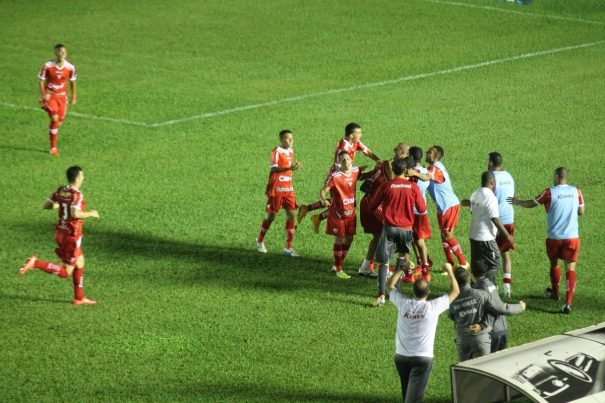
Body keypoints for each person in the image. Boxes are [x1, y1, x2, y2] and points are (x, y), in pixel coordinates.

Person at [19, 166, 99, 305]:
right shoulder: (77, 195)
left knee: (80, 262)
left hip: (60, 233)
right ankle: (35, 263)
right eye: (82, 176)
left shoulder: (62, 190)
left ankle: (79, 298)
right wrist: (91, 213)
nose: (83, 177)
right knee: (66, 272)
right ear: (77, 178)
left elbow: (46, 205)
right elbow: (75, 214)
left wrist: (62, 205)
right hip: (71, 237)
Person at [509, 167, 584, 314]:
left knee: (554, 264)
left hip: (554, 237)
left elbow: (532, 203)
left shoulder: (549, 192)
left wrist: (518, 202)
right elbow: (581, 211)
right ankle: (567, 302)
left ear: (556, 177)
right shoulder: (576, 191)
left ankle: (555, 293)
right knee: (570, 269)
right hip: (572, 237)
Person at [388, 262, 459, 403]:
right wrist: (450, 271)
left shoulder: (403, 303)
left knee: (407, 393)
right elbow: (455, 292)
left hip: (401, 356)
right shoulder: (433, 307)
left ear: (413, 292)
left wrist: (401, 269)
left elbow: (389, 286)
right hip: (422, 358)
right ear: (428, 293)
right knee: (414, 398)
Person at [297, 122, 380, 233]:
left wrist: (378, 160)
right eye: (359, 133)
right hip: (338, 177)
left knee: (340, 202)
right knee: (341, 204)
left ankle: (308, 210)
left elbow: (367, 151)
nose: (361, 135)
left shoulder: (355, 142)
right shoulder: (343, 148)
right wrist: (351, 174)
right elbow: (339, 166)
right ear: (351, 135)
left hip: (344, 175)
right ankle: (316, 217)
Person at [369, 157, 427, 307]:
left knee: (383, 262)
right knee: (402, 260)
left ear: (393, 170)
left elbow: (372, 205)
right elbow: (421, 208)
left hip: (389, 228)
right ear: (405, 171)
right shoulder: (413, 187)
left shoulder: (386, 186)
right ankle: (396, 292)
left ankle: (381, 295)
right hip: (406, 229)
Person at [357, 143, 410, 277]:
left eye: (405, 153)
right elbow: (394, 181)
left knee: (378, 236)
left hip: (369, 202)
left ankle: (365, 267)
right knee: (386, 236)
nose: (404, 155)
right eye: (402, 151)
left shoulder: (385, 165)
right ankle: (385, 270)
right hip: (373, 205)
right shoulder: (389, 166)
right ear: (397, 152)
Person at [256, 130, 303, 256]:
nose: (291, 141)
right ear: (281, 139)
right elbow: (273, 169)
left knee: (291, 215)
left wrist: (295, 165)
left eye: (292, 138)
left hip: (288, 188)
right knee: (272, 216)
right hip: (277, 188)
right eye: (288, 139)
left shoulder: (291, 151)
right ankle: (259, 240)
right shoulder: (276, 151)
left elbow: (289, 165)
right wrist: (289, 168)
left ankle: (288, 247)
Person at [460, 171, 514, 284]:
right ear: (492, 182)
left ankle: (478, 288)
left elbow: (474, 212)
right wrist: (507, 235)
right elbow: (495, 219)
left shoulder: (475, 194)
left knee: (479, 266)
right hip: (486, 238)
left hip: (474, 236)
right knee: (495, 263)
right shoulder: (491, 197)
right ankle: (483, 284)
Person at [319, 152, 362, 279]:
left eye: (348, 159)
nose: (346, 162)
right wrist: (323, 200)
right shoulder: (335, 177)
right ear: (339, 163)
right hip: (338, 214)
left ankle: (337, 263)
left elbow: (364, 174)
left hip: (351, 213)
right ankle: (338, 268)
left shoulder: (355, 171)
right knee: (340, 238)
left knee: (349, 238)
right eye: (343, 160)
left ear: (351, 160)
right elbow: (323, 190)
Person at [425, 146, 469, 270]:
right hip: (442, 207)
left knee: (448, 235)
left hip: (449, 206)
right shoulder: (433, 168)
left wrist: (412, 172)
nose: (427, 153)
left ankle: (463, 262)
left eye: (430, 152)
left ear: (435, 156)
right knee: (443, 236)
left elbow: (427, 176)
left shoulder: (435, 169)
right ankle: (450, 264)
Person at [471, 261, 525, 353]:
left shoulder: (479, 290)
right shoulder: (490, 284)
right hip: (500, 328)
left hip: (492, 332)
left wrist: (519, 307)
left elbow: (499, 307)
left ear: (472, 273)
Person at [38, 44, 77, 156]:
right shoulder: (47, 66)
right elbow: (41, 81)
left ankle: (47, 108)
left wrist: (73, 96)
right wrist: (43, 94)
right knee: (55, 119)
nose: (63, 54)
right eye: (60, 52)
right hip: (51, 96)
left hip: (62, 97)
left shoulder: (70, 67)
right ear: (56, 53)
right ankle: (53, 148)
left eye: (64, 52)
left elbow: (72, 82)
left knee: (59, 122)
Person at [488, 152, 516, 297]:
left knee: (490, 253)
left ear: (491, 162)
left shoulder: (491, 178)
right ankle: (507, 287)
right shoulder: (509, 176)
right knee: (505, 253)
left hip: (495, 220)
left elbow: (488, 197)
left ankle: (492, 284)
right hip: (509, 218)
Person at [408, 146, 433, 280]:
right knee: (413, 239)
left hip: (414, 211)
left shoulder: (410, 172)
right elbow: (427, 177)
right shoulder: (425, 172)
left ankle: (425, 269)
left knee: (419, 240)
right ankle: (420, 264)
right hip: (420, 210)